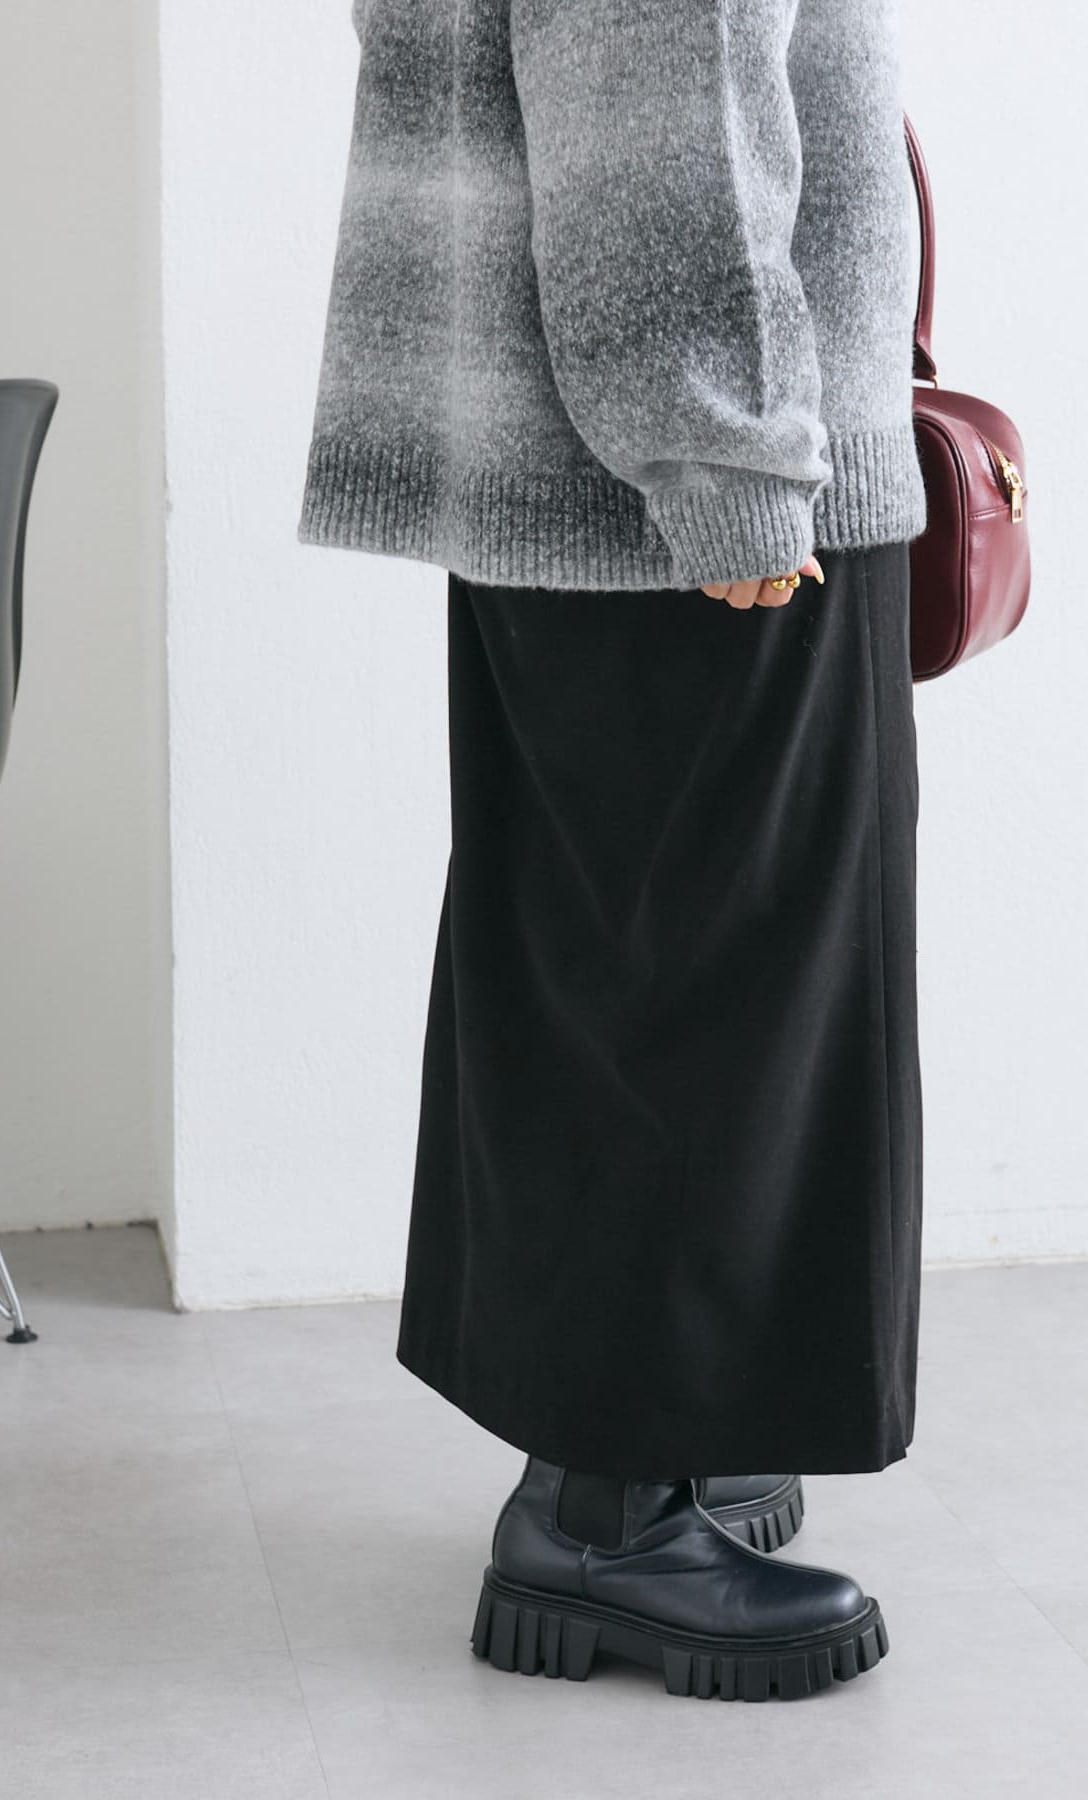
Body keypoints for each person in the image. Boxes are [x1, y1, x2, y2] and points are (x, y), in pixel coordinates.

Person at [299, 0, 926, 1702]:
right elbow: (665, 89)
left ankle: (652, 1434)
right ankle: (605, 1514)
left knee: (620, 958)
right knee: (711, 978)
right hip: (670, 499)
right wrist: (726, 450)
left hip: (581, 469)